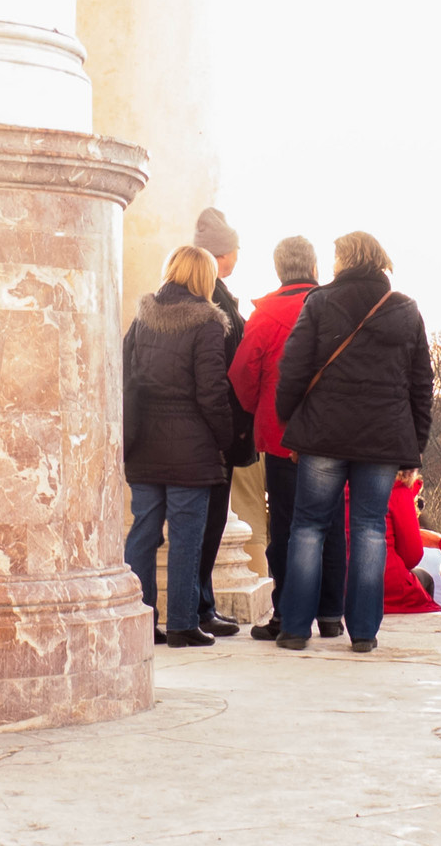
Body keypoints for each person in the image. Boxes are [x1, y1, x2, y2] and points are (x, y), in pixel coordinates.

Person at [271, 231, 433, 652]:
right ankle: (363, 633)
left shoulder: (320, 303)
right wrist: (415, 444)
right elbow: (421, 383)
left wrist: (290, 418)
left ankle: (293, 628)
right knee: (369, 529)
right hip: (382, 439)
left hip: (324, 433)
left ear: (343, 260)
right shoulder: (406, 309)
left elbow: (294, 367)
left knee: (307, 527)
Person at [228, 235, 348, 640]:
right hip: (332, 433)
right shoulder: (336, 308)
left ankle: (287, 614)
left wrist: (256, 410)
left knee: (288, 527)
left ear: (279, 270)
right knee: (330, 524)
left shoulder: (265, 315)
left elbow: (243, 374)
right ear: (314, 268)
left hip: (282, 436)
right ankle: (331, 614)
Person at [122, 246, 233, 647]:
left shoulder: (142, 316)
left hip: (144, 443)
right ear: (203, 277)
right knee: (187, 536)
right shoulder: (207, 322)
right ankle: (184, 623)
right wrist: (226, 438)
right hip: (192, 447)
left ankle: (139, 618)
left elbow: (125, 372)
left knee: (143, 532)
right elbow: (212, 392)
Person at [191, 207, 255, 637]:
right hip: (213, 431)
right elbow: (219, 377)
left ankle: (202, 604)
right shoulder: (215, 299)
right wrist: (227, 431)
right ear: (224, 255)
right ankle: (198, 608)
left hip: (206, 430)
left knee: (207, 523)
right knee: (207, 524)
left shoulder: (211, 293)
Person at [381, 471, 441, 614]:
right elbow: (412, 556)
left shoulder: (339, 486)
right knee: (423, 577)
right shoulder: (397, 490)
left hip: (336, 585)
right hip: (386, 587)